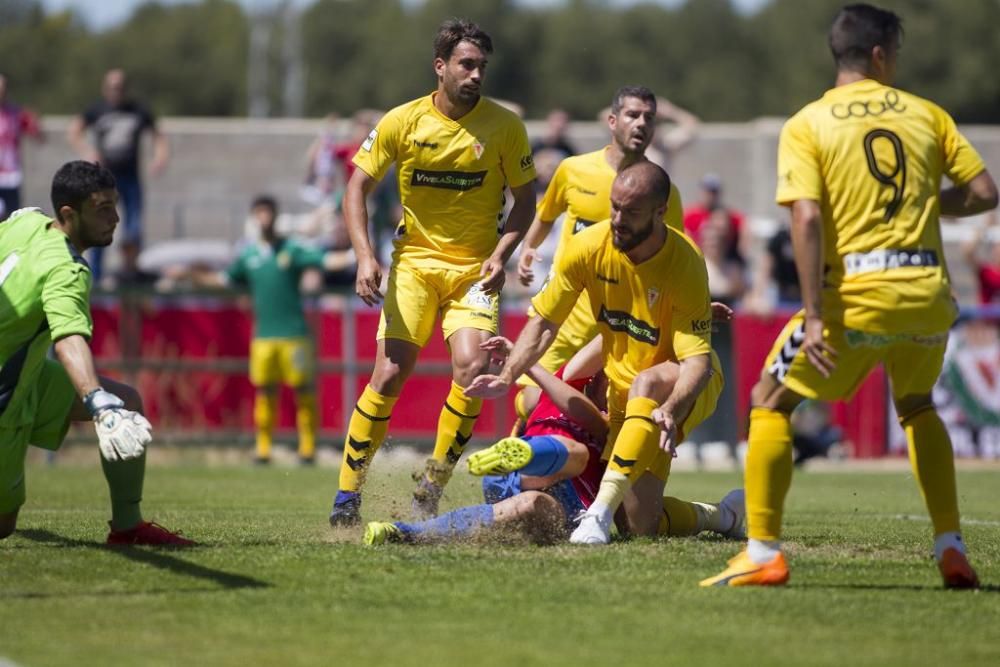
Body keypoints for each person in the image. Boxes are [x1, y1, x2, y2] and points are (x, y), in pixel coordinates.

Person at [701, 3, 998, 589]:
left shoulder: (809, 123)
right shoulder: (927, 114)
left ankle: (763, 553)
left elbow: (806, 219)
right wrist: (928, 204)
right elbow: (985, 192)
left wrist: (812, 315)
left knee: (767, 401)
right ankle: (950, 544)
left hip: (854, 299)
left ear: (839, 53)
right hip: (928, 298)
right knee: (916, 407)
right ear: (883, 54)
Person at [331, 18, 537, 525]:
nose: (475, 75)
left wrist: (502, 253)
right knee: (389, 373)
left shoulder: (505, 127)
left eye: (481, 67)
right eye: (466, 65)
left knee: (471, 372)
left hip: (475, 273)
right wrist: (364, 254)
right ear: (440, 67)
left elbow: (527, 201)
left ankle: (431, 485)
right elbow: (356, 187)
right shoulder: (403, 121)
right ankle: (346, 496)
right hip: (416, 266)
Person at [468, 161, 724, 546]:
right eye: (614, 207)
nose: (618, 219)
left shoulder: (685, 262)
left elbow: (697, 362)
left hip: (682, 382)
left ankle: (597, 514)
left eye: (631, 212)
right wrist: (507, 377)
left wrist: (670, 409)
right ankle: (722, 515)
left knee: (648, 381)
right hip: (624, 388)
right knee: (639, 524)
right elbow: (543, 323)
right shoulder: (588, 247)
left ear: (659, 212)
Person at [365, 336, 744, 545]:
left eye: (612, 382)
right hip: (519, 470)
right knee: (574, 451)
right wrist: (524, 363)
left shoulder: (615, 429)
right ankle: (523, 454)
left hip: (556, 506)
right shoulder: (562, 386)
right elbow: (614, 334)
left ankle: (406, 533)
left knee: (529, 506)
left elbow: (586, 414)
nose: (606, 381)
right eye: (605, 377)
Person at [0, 161, 193, 545]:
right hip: (5, 396)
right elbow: (69, 339)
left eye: (115, 204)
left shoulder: (25, 221)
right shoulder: (66, 268)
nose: (116, 218)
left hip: (28, 375)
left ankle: (127, 527)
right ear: (69, 214)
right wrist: (96, 402)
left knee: (128, 402)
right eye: (103, 208)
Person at [514, 86, 688, 424]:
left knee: (605, 418)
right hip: (566, 313)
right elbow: (546, 215)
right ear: (612, 121)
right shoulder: (574, 170)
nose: (641, 124)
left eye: (649, 118)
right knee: (533, 399)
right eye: (633, 115)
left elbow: (676, 258)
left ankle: (572, 475)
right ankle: (518, 462)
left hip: (624, 323)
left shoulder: (665, 193)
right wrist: (528, 249)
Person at [187, 195, 352, 464]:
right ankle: (263, 449)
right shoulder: (249, 255)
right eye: (260, 213)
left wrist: (356, 254)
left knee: (303, 389)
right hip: (264, 336)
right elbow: (225, 279)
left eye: (268, 212)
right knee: (265, 391)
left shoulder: (291, 249)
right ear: (254, 217)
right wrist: (194, 276)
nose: (264, 218)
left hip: (295, 335)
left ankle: (307, 449)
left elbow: (325, 260)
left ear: (275, 216)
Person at [68, 69, 169, 281]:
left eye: (120, 87)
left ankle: (131, 271)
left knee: (133, 227)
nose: (117, 91)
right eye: (113, 87)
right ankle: (95, 274)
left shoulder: (137, 110)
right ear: (106, 89)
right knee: (99, 224)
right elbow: (75, 130)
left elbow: (158, 135)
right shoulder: (97, 110)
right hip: (104, 180)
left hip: (130, 178)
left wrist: (159, 157)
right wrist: (88, 151)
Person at [0, 74, 44, 221]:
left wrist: (35, 121)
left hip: (12, 175)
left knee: (13, 218)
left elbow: (36, 133)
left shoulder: (16, 113)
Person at [683, 173, 746, 264]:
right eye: (707, 191)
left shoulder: (728, 215)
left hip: (725, 260)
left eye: (713, 192)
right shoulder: (689, 215)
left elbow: (744, 228)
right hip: (697, 259)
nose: (710, 196)